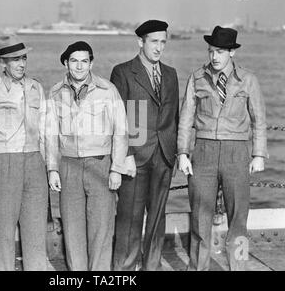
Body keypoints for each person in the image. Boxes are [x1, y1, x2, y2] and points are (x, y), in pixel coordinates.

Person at [177, 26, 267, 271]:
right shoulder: (196, 78)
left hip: (237, 154)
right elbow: (185, 118)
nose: (214, 57)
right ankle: (198, 268)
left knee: (238, 219)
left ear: (232, 53)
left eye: (219, 52)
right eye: (211, 51)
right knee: (199, 219)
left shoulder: (248, 80)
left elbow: (259, 119)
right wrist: (183, 153)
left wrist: (258, 154)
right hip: (203, 152)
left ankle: (238, 267)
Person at [46, 41, 128, 271]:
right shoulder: (55, 92)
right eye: (74, 61)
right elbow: (50, 134)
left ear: (91, 63)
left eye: (84, 61)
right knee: (72, 231)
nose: (79, 66)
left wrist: (116, 169)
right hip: (68, 166)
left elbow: (121, 131)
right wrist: (52, 168)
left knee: (101, 230)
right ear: (66, 63)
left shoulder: (107, 90)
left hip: (100, 165)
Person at [0, 34, 48, 271]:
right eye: (15, 59)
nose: (21, 63)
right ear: (3, 63)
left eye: (23, 58)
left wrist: (48, 167)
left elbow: (45, 131)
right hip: (3, 165)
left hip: (34, 163)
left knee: (36, 237)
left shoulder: (36, 88)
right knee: (3, 237)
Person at [110, 20, 179, 271]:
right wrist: (125, 154)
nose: (159, 47)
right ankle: (124, 271)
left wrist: (179, 152)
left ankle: (152, 267)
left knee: (157, 220)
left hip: (164, 157)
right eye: (154, 42)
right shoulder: (123, 72)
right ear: (140, 42)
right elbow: (117, 119)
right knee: (129, 221)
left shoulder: (170, 74)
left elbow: (175, 117)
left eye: (163, 42)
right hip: (134, 159)